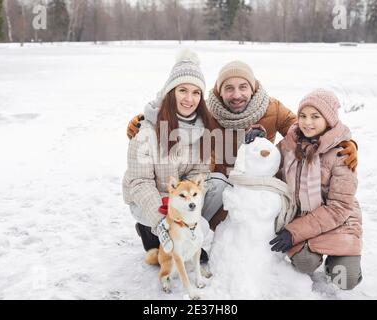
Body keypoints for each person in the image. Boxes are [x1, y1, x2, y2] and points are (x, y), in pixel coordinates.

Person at [126, 60, 358, 230]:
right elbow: (176, 113)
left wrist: (347, 143)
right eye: (229, 88)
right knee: (221, 227)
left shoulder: (272, 108)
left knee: (261, 225)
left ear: (253, 88)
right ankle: (162, 234)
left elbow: (307, 128)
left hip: (260, 184)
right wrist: (143, 120)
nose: (236, 94)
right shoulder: (207, 113)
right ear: (219, 91)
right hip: (221, 184)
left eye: (243, 87)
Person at [122, 49, 227, 263]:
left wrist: (184, 200)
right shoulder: (146, 131)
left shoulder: (203, 128)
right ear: (171, 92)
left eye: (196, 92)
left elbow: (200, 171)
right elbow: (140, 182)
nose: (190, 99)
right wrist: (166, 216)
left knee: (219, 185)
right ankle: (151, 231)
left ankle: (187, 238)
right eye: (183, 90)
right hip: (154, 200)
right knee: (156, 242)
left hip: (181, 199)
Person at [270, 89, 363, 290]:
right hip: (304, 218)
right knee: (304, 263)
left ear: (328, 120)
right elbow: (268, 160)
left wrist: (293, 233)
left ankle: (337, 260)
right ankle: (315, 255)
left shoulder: (343, 154)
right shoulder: (291, 142)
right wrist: (259, 139)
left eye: (315, 116)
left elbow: (338, 209)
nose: (307, 122)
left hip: (339, 222)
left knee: (345, 279)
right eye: (302, 116)